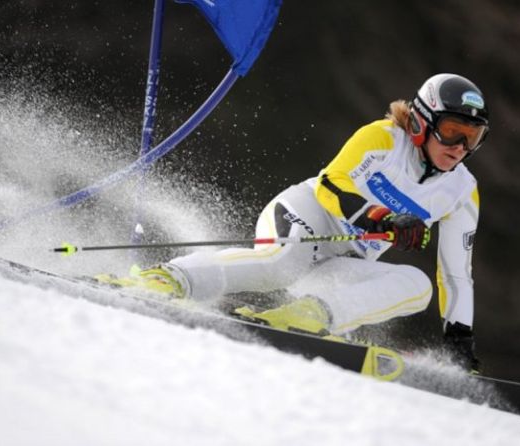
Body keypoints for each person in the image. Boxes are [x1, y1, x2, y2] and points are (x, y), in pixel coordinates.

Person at [128, 73, 488, 372]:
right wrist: (384, 216)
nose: (460, 147)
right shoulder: (383, 139)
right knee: (279, 266)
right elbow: (333, 184)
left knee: (418, 285)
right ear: (421, 122)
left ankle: (309, 316)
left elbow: (456, 274)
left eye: (473, 137)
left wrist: (459, 341)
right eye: (453, 130)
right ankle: (169, 278)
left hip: (342, 261)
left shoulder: (461, 190)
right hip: (305, 217)